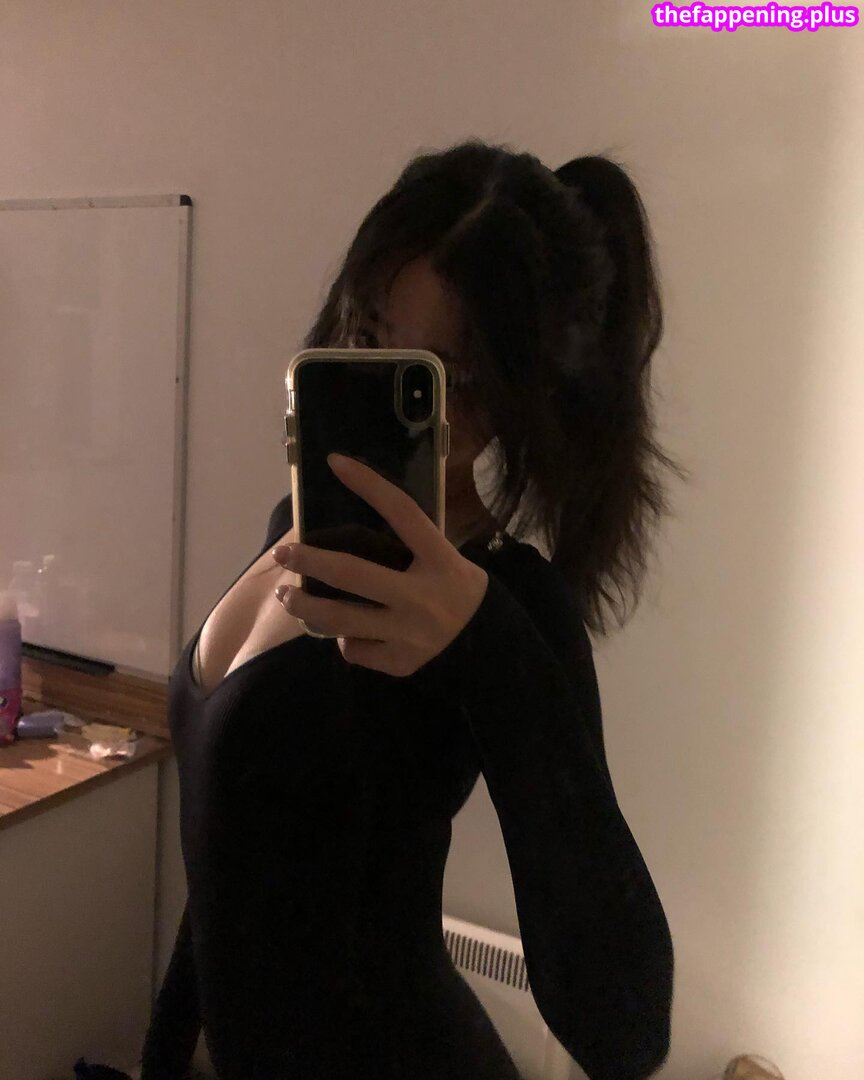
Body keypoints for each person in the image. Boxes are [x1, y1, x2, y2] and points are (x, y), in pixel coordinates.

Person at [136, 138, 686, 1080]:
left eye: (448, 380)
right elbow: (229, 855)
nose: (388, 386)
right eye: (369, 333)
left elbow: (625, 1031)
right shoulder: (298, 529)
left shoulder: (506, 601)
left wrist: (488, 648)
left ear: (520, 392)